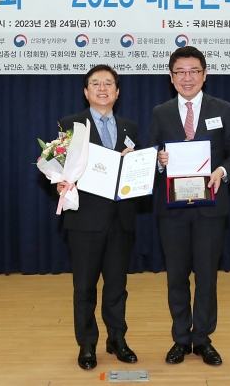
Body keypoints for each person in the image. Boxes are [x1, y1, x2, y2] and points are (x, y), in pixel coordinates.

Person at [148, 46, 230, 366]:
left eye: (194, 71)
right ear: (171, 77)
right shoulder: (160, 112)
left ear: (205, 74)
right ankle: (180, 338)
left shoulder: (223, 108)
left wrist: (221, 171)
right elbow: (149, 157)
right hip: (172, 210)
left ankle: (202, 339)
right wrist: (160, 162)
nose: (187, 78)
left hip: (210, 208)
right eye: (181, 72)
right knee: (176, 276)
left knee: (206, 276)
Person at [57, 64, 139, 370]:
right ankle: (87, 344)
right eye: (96, 83)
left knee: (117, 286)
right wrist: (60, 181)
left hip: (122, 219)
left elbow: (136, 174)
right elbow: (60, 168)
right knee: (85, 287)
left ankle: (117, 339)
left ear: (117, 92)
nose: (102, 88)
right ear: (86, 92)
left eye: (108, 83)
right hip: (85, 220)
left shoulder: (131, 127)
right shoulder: (71, 125)